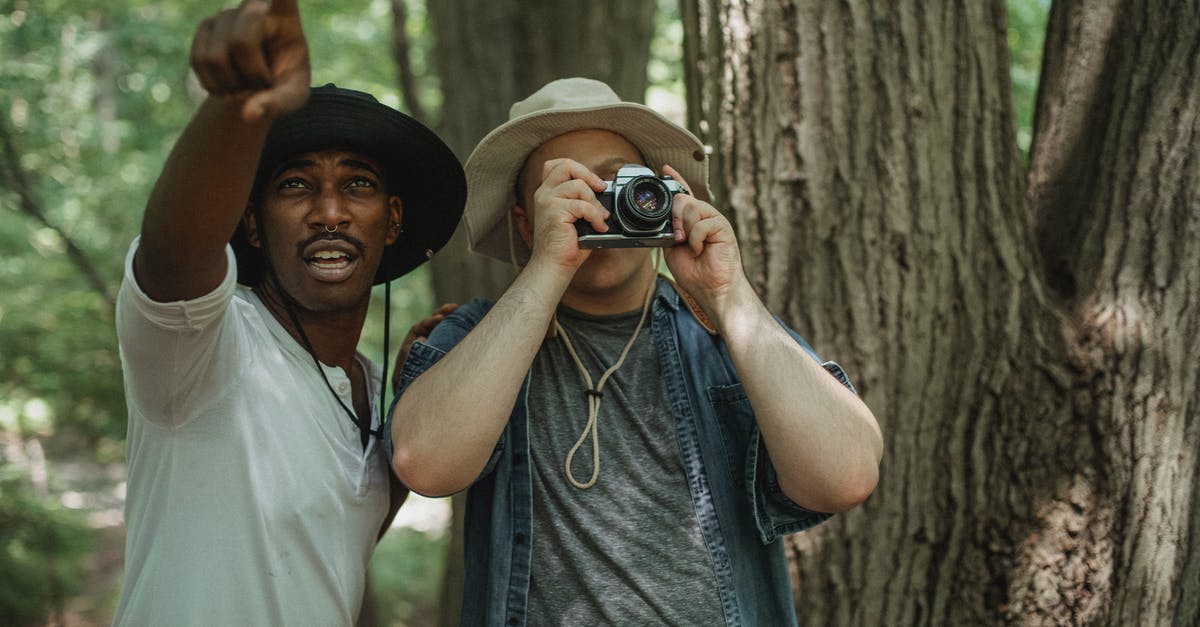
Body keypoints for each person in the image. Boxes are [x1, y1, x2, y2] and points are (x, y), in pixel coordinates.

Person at [387, 77, 884, 626]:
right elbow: (424, 464)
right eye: (573, 188)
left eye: (620, 182)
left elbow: (846, 477)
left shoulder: (731, 335)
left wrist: (727, 292)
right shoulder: (478, 337)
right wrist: (548, 268)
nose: (601, 203)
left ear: (661, 198)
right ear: (526, 223)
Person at [112, 1, 465, 624]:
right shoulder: (209, 347)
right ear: (251, 222)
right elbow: (175, 255)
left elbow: (323, 549)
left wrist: (409, 413)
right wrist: (241, 105)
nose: (330, 210)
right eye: (295, 185)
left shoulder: (371, 384)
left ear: (394, 220)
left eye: (358, 184)